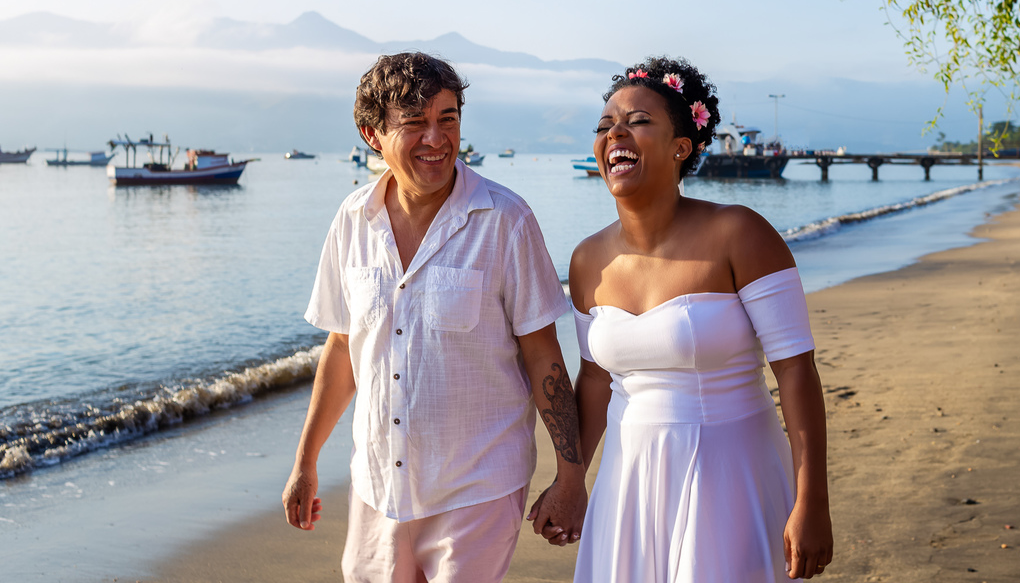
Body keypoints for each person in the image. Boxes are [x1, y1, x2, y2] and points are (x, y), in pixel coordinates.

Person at [282, 52, 586, 583]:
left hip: (477, 487)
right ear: (372, 134)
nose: (436, 137)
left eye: (447, 119)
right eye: (415, 121)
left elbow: (544, 356)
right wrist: (305, 461)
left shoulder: (506, 221)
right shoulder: (352, 220)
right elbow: (342, 348)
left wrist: (570, 475)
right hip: (377, 485)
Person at [561, 57, 834, 581]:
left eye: (637, 120)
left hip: (730, 472)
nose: (615, 132)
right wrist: (570, 479)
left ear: (681, 146)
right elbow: (595, 380)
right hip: (628, 481)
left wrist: (812, 501)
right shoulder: (586, 260)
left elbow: (796, 371)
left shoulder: (740, 233)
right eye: (604, 125)